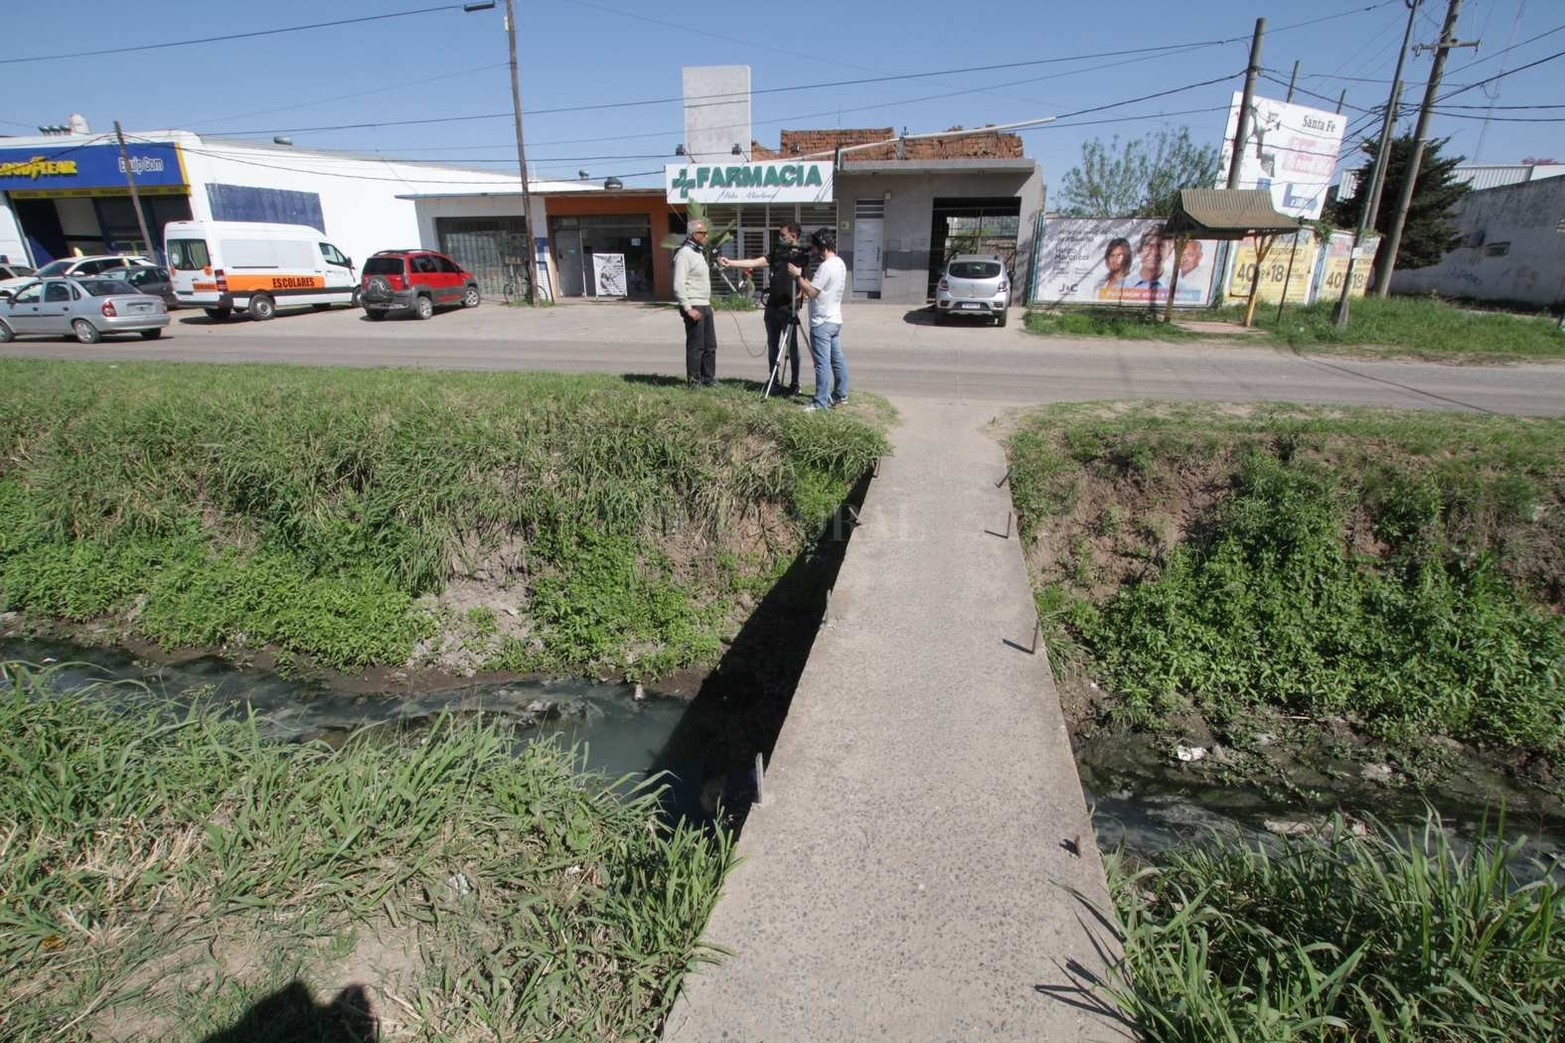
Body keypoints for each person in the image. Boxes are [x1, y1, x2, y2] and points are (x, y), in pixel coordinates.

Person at [718, 221, 807, 394]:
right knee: (773, 346)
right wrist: (731, 263)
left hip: (788, 310)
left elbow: (805, 283)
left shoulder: (801, 256)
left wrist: (798, 300)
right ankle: (774, 381)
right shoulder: (777, 253)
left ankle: (795, 383)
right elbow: (755, 262)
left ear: (793, 236)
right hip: (772, 308)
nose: (780, 238)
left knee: (792, 348)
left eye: (783, 235)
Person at [789, 228, 847, 413]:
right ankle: (841, 394)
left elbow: (812, 292)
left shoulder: (825, 267)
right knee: (837, 359)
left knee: (822, 364)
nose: (812, 251)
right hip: (835, 319)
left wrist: (798, 276)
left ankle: (820, 403)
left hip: (822, 322)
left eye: (814, 247)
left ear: (821, 245)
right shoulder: (840, 263)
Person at [673, 219, 717, 387]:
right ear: (693, 235)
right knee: (696, 346)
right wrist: (688, 308)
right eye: (703, 233)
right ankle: (694, 381)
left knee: (710, 345)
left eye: (706, 233)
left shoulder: (698, 253)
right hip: (693, 305)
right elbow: (678, 284)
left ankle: (708, 379)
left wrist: (708, 304)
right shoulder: (684, 254)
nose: (706, 236)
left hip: (704, 304)